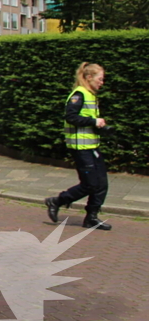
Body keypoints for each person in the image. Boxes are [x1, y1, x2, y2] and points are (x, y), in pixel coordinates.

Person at [45, 62, 112, 230]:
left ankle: (91, 218)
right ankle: (57, 201)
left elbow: (85, 121)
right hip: (80, 148)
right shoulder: (79, 94)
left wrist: (99, 126)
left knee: (102, 183)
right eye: (100, 79)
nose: (102, 82)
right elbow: (71, 116)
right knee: (90, 184)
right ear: (89, 77)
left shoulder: (90, 94)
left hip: (91, 146)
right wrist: (93, 121)